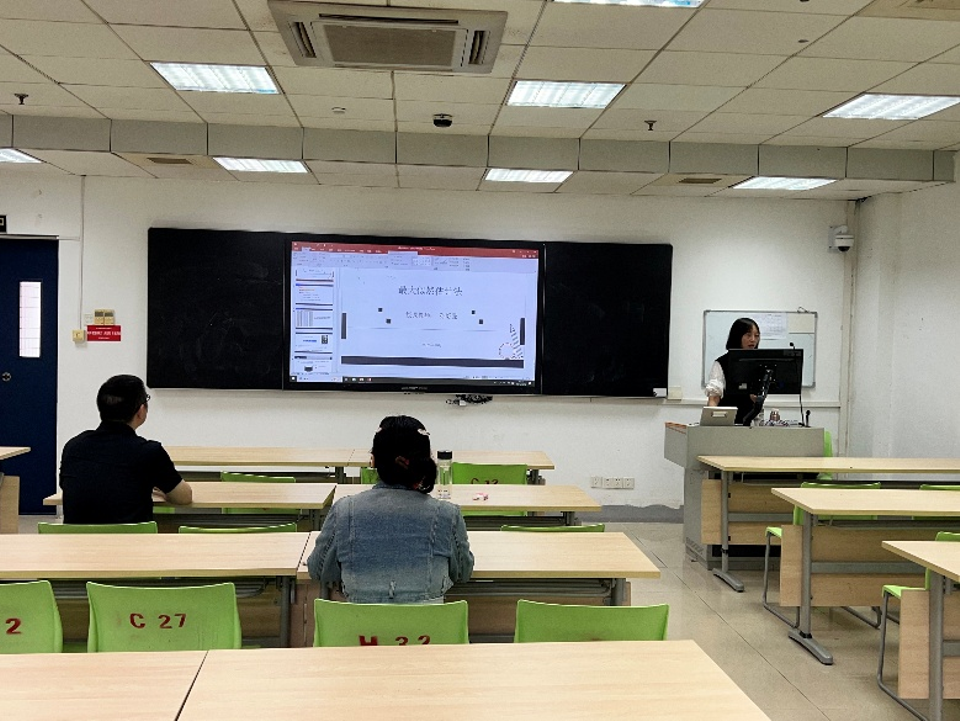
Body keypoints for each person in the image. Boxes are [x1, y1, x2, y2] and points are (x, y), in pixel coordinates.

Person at [306, 415, 474, 603]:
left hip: (360, 622)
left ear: (373, 461)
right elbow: (463, 572)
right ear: (426, 461)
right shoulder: (447, 514)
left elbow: (318, 570)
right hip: (428, 622)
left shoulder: (344, 510)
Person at [59, 374, 192, 524]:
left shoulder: (73, 447)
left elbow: (68, 487)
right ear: (141, 411)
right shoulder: (149, 452)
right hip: (132, 538)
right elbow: (184, 497)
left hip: (77, 539)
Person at [705, 317, 761, 425]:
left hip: (749, 422)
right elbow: (714, 398)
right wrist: (711, 424)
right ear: (738, 336)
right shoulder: (722, 363)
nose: (753, 340)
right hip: (725, 422)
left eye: (756, 336)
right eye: (748, 335)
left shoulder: (758, 363)